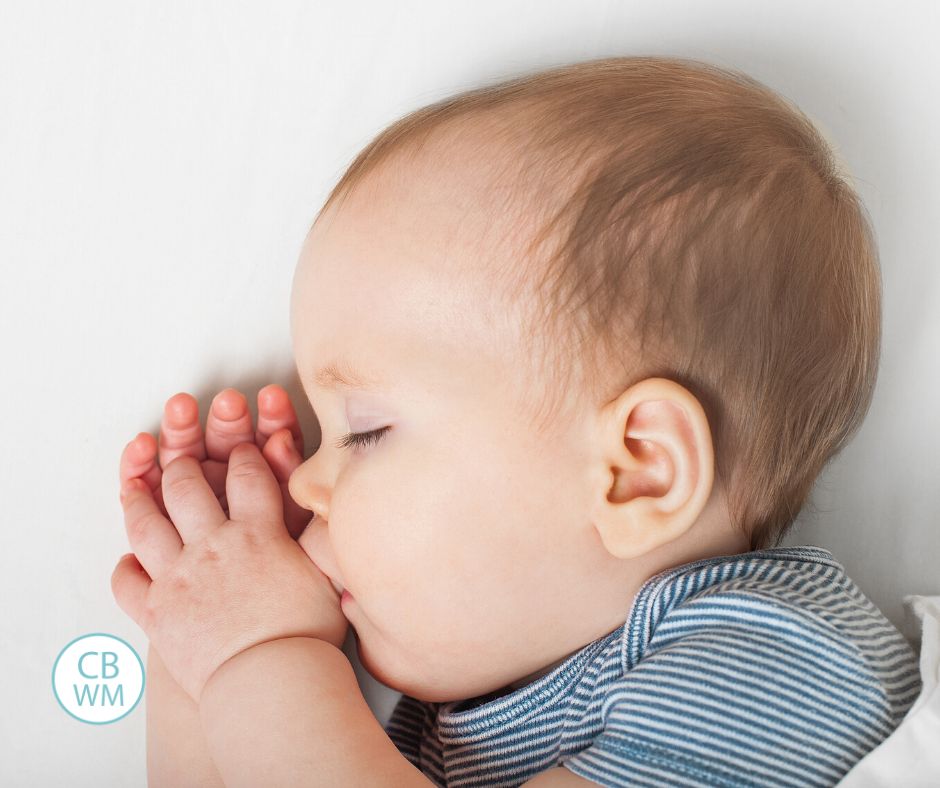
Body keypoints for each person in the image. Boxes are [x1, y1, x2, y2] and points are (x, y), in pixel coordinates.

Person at [113, 55, 922, 786]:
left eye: (364, 432)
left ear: (639, 469)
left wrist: (262, 659)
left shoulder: (771, 670)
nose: (308, 480)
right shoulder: (480, 697)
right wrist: (200, 650)